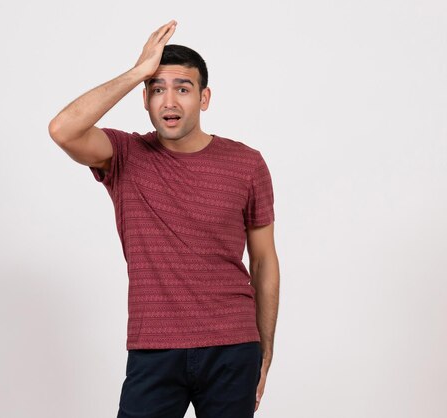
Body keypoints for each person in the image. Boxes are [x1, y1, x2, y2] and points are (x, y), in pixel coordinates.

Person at [48, 20, 280, 418]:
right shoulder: (124, 154)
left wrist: (266, 347)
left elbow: (263, 261)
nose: (169, 102)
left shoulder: (246, 163)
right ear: (145, 99)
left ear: (204, 98)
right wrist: (138, 70)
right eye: (158, 89)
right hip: (154, 346)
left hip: (232, 345)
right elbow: (63, 129)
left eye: (182, 89)